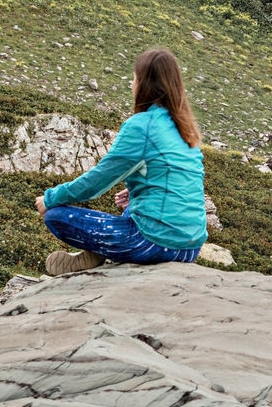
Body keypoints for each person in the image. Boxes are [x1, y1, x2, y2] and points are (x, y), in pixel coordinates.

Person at [35, 47, 208, 275]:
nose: (131, 84)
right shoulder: (184, 129)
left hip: (155, 244)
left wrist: (50, 198)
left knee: (56, 216)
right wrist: (139, 192)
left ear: (145, 84)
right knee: (130, 211)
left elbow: (97, 181)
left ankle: (101, 250)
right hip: (190, 247)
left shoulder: (141, 125)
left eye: (134, 78)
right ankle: (101, 251)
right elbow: (179, 180)